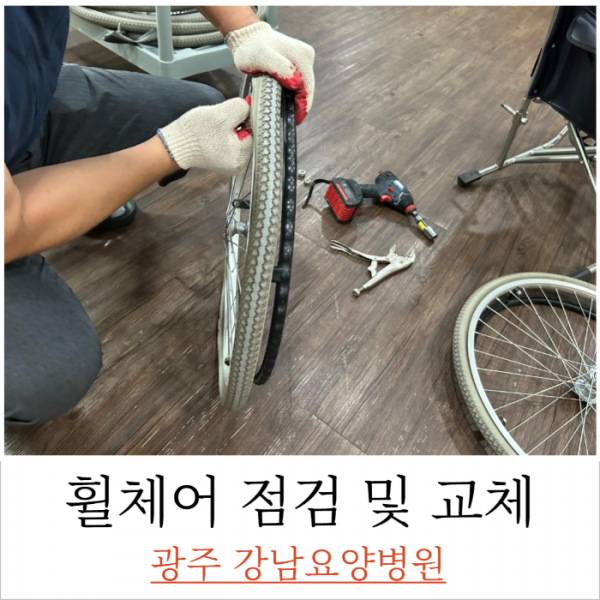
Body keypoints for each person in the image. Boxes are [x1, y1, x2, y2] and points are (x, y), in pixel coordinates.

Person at [4, 6, 315, 426]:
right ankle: (73, 198)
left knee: (202, 104)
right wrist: (174, 149)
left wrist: (245, 28)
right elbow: (7, 229)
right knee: (49, 374)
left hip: (27, 102)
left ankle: (78, 193)